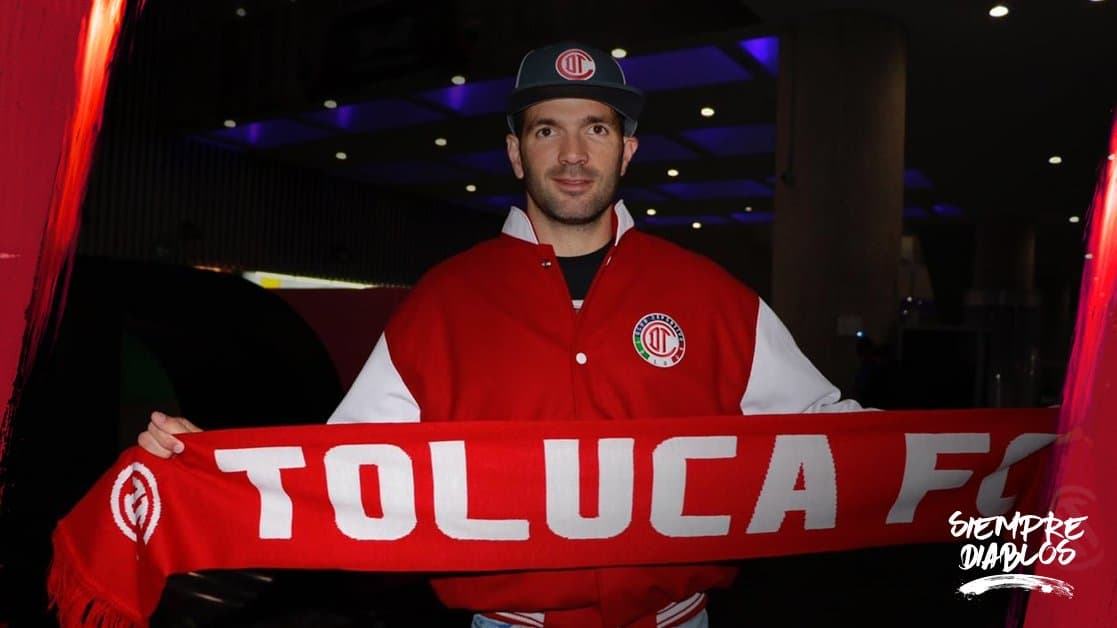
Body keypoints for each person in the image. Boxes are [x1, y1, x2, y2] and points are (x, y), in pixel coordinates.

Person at [140, 41, 862, 628]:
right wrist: (210, 464)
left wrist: (976, 460)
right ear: (516, 153)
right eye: (547, 129)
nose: (573, 153)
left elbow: (838, 439)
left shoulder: (711, 295)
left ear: (628, 151)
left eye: (597, 128)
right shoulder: (444, 301)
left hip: (676, 621)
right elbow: (341, 469)